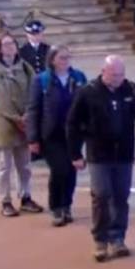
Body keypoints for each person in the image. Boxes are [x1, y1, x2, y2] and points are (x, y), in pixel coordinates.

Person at [67, 55, 135, 262]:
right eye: (114, 75)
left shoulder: (131, 90)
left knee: (121, 196)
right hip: (98, 154)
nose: (118, 78)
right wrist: (75, 153)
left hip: (123, 154)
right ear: (104, 71)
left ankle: (118, 237)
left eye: (121, 74)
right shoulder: (88, 92)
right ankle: (100, 239)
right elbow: (72, 124)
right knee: (102, 195)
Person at [26, 45, 87, 226]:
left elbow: (86, 104)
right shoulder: (41, 80)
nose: (66, 61)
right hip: (51, 134)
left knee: (71, 171)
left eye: (68, 57)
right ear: (53, 60)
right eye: (62, 58)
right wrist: (33, 138)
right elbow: (33, 109)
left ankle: (67, 204)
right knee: (59, 170)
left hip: (74, 134)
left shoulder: (79, 78)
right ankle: (56, 207)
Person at [0, 34, 42, 218]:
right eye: (6, 44)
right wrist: (17, 119)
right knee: (3, 165)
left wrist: (28, 115)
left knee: (24, 165)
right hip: (3, 124)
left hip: (24, 122)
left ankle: (25, 197)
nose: (10, 47)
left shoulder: (25, 67)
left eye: (12, 43)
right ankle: (5, 201)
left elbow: (34, 89)